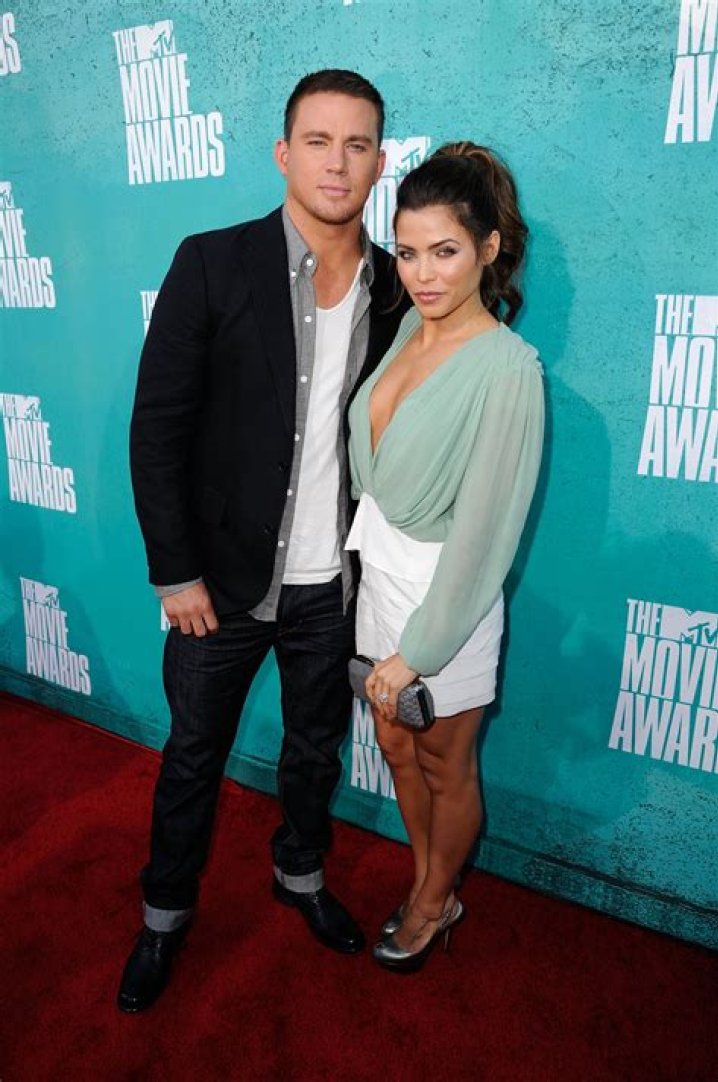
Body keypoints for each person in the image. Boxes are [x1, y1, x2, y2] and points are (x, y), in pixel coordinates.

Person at [120, 69, 408, 1012]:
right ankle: (164, 916)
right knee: (193, 757)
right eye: (318, 141)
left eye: (357, 144)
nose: (338, 162)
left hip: (334, 586)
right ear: (284, 154)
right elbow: (157, 429)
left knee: (315, 750)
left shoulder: (396, 289)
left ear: (380, 163)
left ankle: (300, 874)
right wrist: (175, 574)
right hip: (219, 585)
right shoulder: (212, 262)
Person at [345, 142, 545, 972]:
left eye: (445, 251)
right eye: (407, 251)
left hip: (447, 599)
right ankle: (432, 879)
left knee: (443, 759)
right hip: (381, 580)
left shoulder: (508, 368)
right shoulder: (407, 331)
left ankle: (432, 902)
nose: (423, 274)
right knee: (396, 747)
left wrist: (420, 649)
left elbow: (486, 533)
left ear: (489, 249)